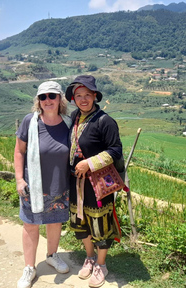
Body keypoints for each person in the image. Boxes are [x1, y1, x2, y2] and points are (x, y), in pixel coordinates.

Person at [65, 75, 123, 288]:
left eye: (87, 95)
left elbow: (115, 150)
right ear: (73, 99)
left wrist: (90, 163)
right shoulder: (75, 117)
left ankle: (101, 264)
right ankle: (89, 257)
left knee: (100, 223)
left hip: (98, 183)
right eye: (78, 95)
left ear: (95, 97)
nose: (83, 99)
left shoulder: (105, 121)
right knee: (80, 222)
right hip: (76, 181)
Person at [14, 81, 72, 288]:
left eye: (52, 96)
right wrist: (20, 179)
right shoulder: (30, 122)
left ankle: (51, 255)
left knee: (55, 222)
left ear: (59, 99)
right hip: (33, 186)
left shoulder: (67, 123)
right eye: (43, 97)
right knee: (30, 225)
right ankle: (29, 267)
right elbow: (19, 151)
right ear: (38, 101)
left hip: (59, 185)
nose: (47, 100)